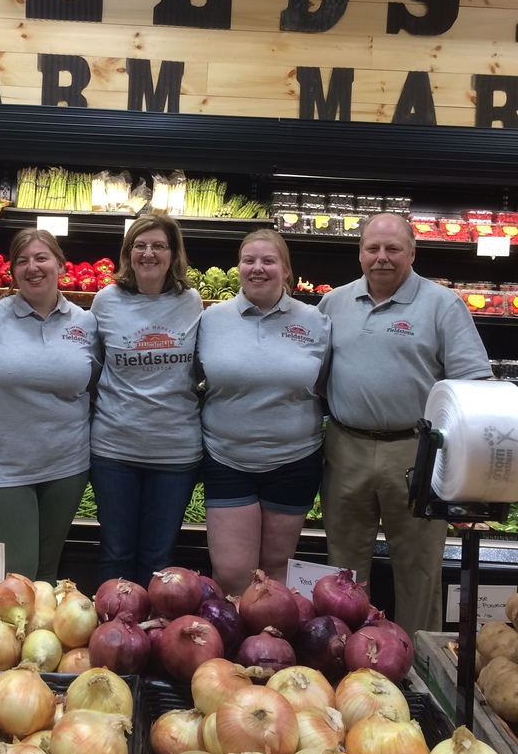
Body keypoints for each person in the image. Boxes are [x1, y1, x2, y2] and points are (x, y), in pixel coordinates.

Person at [318, 211, 492, 640]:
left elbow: (476, 386)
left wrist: (468, 474)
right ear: (359, 253)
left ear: (412, 252)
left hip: (417, 452)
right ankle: (346, 657)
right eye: (373, 248)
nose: (382, 258)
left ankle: (419, 669)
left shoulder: (443, 304)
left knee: (419, 568)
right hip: (345, 447)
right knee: (344, 571)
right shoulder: (333, 304)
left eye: (393, 248)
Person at [197, 228, 331, 596]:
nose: (258, 268)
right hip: (227, 459)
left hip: (295, 461)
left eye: (269, 261)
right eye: (249, 260)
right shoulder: (211, 319)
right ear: (238, 266)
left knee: (273, 573)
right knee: (232, 572)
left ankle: (267, 650)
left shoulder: (316, 321)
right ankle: (227, 653)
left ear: (286, 270)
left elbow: (326, 383)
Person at [0, 228, 100, 583]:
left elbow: (99, 383)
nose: (33, 267)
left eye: (42, 258)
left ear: (60, 263)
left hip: (67, 464)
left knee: (47, 573)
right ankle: (4, 637)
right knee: (17, 575)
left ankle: (38, 638)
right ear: (13, 271)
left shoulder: (85, 322)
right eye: (22, 261)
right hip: (4, 465)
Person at [89, 214, 203, 587]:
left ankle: (152, 637)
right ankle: (113, 637)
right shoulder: (105, 301)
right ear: (128, 253)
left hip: (175, 454)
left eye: (158, 246)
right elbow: (92, 368)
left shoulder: (191, 301)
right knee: (116, 552)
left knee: (159, 556)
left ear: (173, 254)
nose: (148, 253)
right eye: (140, 245)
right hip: (114, 451)